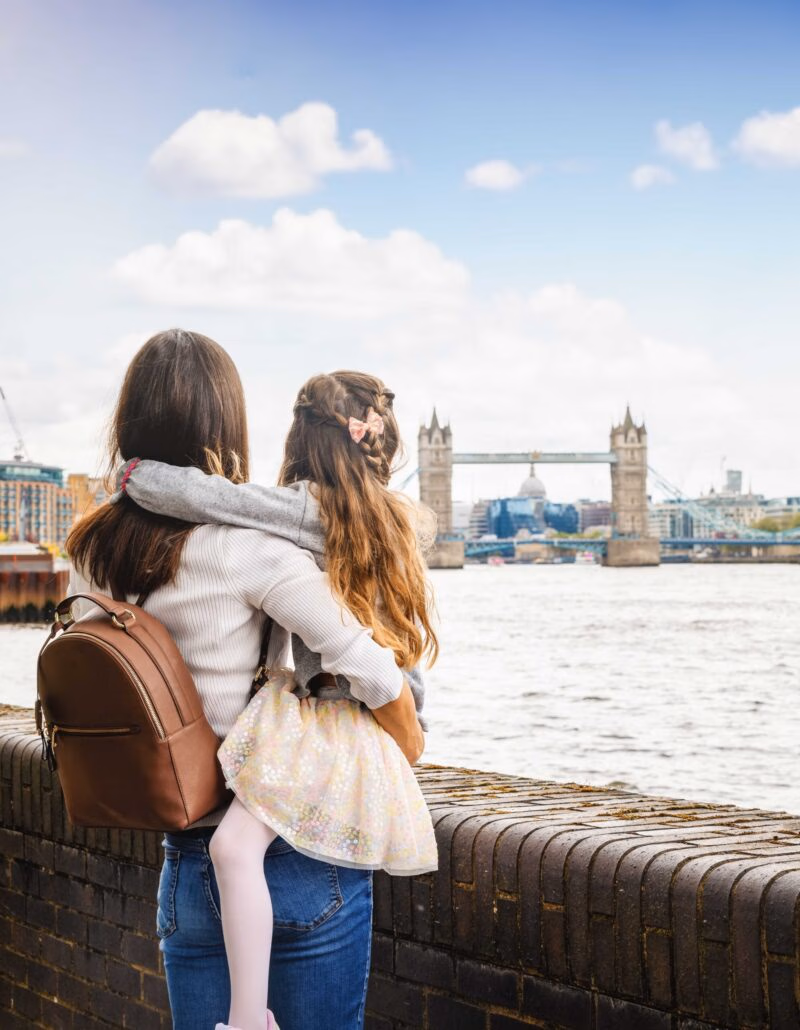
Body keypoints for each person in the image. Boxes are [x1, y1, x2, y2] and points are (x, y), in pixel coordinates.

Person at [66, 332, 426, 1030]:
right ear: (223, 424)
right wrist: (408, 744)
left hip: (180, 861)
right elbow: (376, 672)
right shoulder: (250, 548)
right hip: (293, 856)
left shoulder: (89, 545)